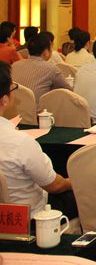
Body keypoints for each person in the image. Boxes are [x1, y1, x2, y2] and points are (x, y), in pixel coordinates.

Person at [0, 62, 76, 219]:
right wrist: (75, 182)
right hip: (29, 218)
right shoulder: (18, 142)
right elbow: (55, 185)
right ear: (4, 100)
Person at [12, 33, 71, 105]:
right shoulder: (51, 69)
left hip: (11, 110)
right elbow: (68, 91)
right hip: (37, 110)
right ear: (46, 52)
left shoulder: (14, 65)